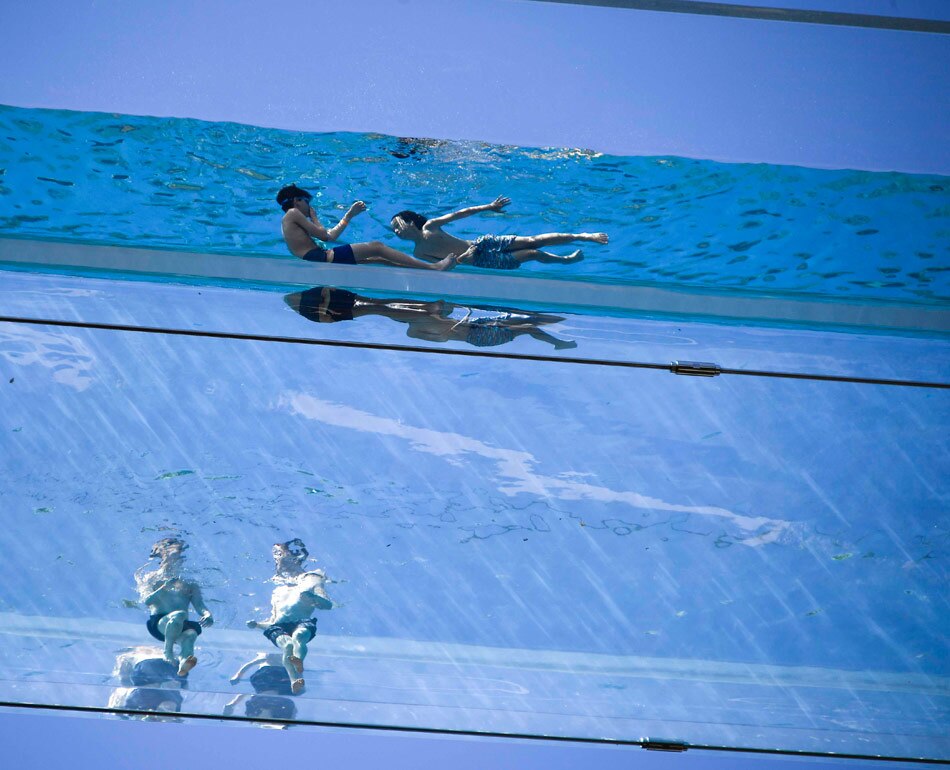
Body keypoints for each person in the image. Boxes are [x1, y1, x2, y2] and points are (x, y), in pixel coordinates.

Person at [285, 287, 578, 350]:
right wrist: (434, 319)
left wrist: (431, 315)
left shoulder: (415, 329)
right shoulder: (417, 331)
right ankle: (558, 342)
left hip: (471, 326)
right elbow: (424, 333)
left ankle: (557, 324)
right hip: (475, 333)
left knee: (527, 319)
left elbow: (419, 328)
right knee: (526, 325)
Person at [390, 196, 608, 270]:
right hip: (481, 261)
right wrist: (461, 260)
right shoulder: (419, 253)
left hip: (481, 243)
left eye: (398, 225)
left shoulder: (430, 227)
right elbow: (445, 266)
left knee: (533, 241)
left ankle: (583, 236)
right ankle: (565, 261)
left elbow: (461, 214)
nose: (397, 231)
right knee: (532, 254)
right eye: (394, 231)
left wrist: (489, 206)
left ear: (410, 221)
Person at [277, 184, 459, 271]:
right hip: (320, 257)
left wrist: (349, 216)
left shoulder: (290, 219)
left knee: (377, 258)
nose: (309, 207)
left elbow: (330, 236)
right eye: (306, 202)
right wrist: (315, 217)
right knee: (376, 247)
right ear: (296, 200)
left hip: (318, 259)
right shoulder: (293, 214)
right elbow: (325, 236)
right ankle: (433, 268)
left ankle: (424, 269)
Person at [246, 539, 333, 695]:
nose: (280, 565)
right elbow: (273, 621)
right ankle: (294, 679)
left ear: (298, 559)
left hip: (301, 621)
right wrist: (257, 624)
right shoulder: (278, 591)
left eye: (284, 559)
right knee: (288, 646)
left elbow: (327, 604)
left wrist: (313, 598)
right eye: (278, 560)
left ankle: (298, 666)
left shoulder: (312, 579)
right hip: (279, 626)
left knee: (298, 636)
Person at [135, 538, 214, 677]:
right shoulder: (151, 579)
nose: (176, 562)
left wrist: (207, 615)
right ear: (163, 557)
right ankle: (168, 651)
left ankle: (183, 663)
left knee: (190, 635)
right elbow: (147, 601)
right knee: (179, 614)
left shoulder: (190, 585)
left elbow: (200, 606)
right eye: (172, 557)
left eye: (178, 558)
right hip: (159, 624)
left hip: (180, 625)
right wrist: (163, 588)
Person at [224, 652, 298, 725]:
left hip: (269, 692)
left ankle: (279, 723)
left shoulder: (261, 680)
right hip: (270, 691)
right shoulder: (264, 677)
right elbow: (250, 665)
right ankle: (281, 723)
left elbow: (245, 692)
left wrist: (237, 677)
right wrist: (237, 676)